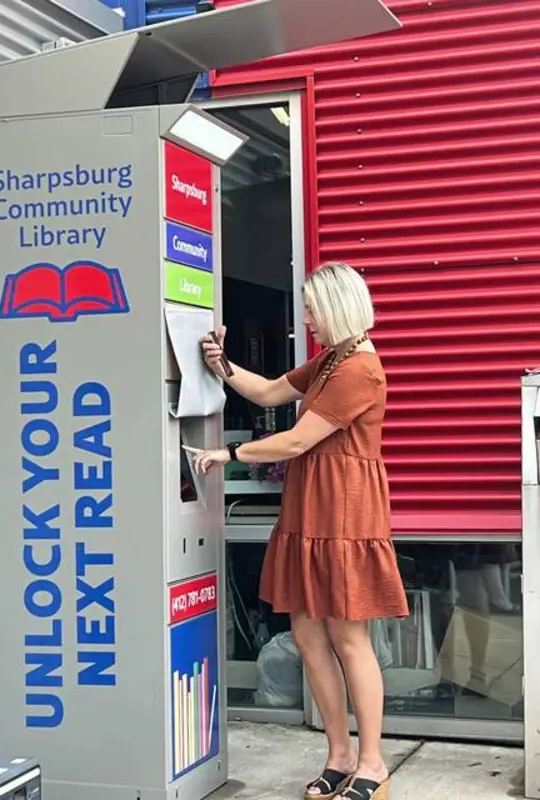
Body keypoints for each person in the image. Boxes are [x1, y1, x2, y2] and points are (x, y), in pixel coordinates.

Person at [185, 263, 408, 800]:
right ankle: (339, 755)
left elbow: (296, 441)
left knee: (348, 638)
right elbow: (268, 392)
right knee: (309, 637)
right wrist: (221, 365)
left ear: (336, 308)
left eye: (311, 309)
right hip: (310, 509)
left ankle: (372, 764)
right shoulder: (332, 359)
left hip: (344, 512)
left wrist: (228, 452)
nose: (306, 319)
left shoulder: (360, 369)